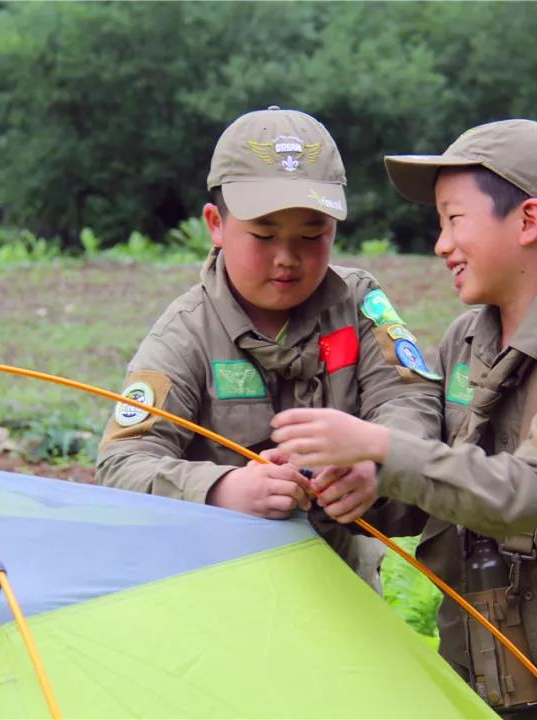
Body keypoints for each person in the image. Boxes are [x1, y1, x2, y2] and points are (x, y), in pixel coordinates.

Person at [271, 119, 537, 718]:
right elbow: (433, 492)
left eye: (454, 220)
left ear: (528, 221)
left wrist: (381, 447)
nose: (441, 245)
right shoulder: (464, 340)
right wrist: (352, 484)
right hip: (481, 669)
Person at [96, 106, 444, 590]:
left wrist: (373, 462)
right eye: (263, 234)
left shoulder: (360, 305)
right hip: (222, 593)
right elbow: (120, 465)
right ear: (216, 224)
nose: (287, 258)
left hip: (341, 594)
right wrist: (222, 490)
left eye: (312, 234)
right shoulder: (186, 332)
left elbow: (411, 399)